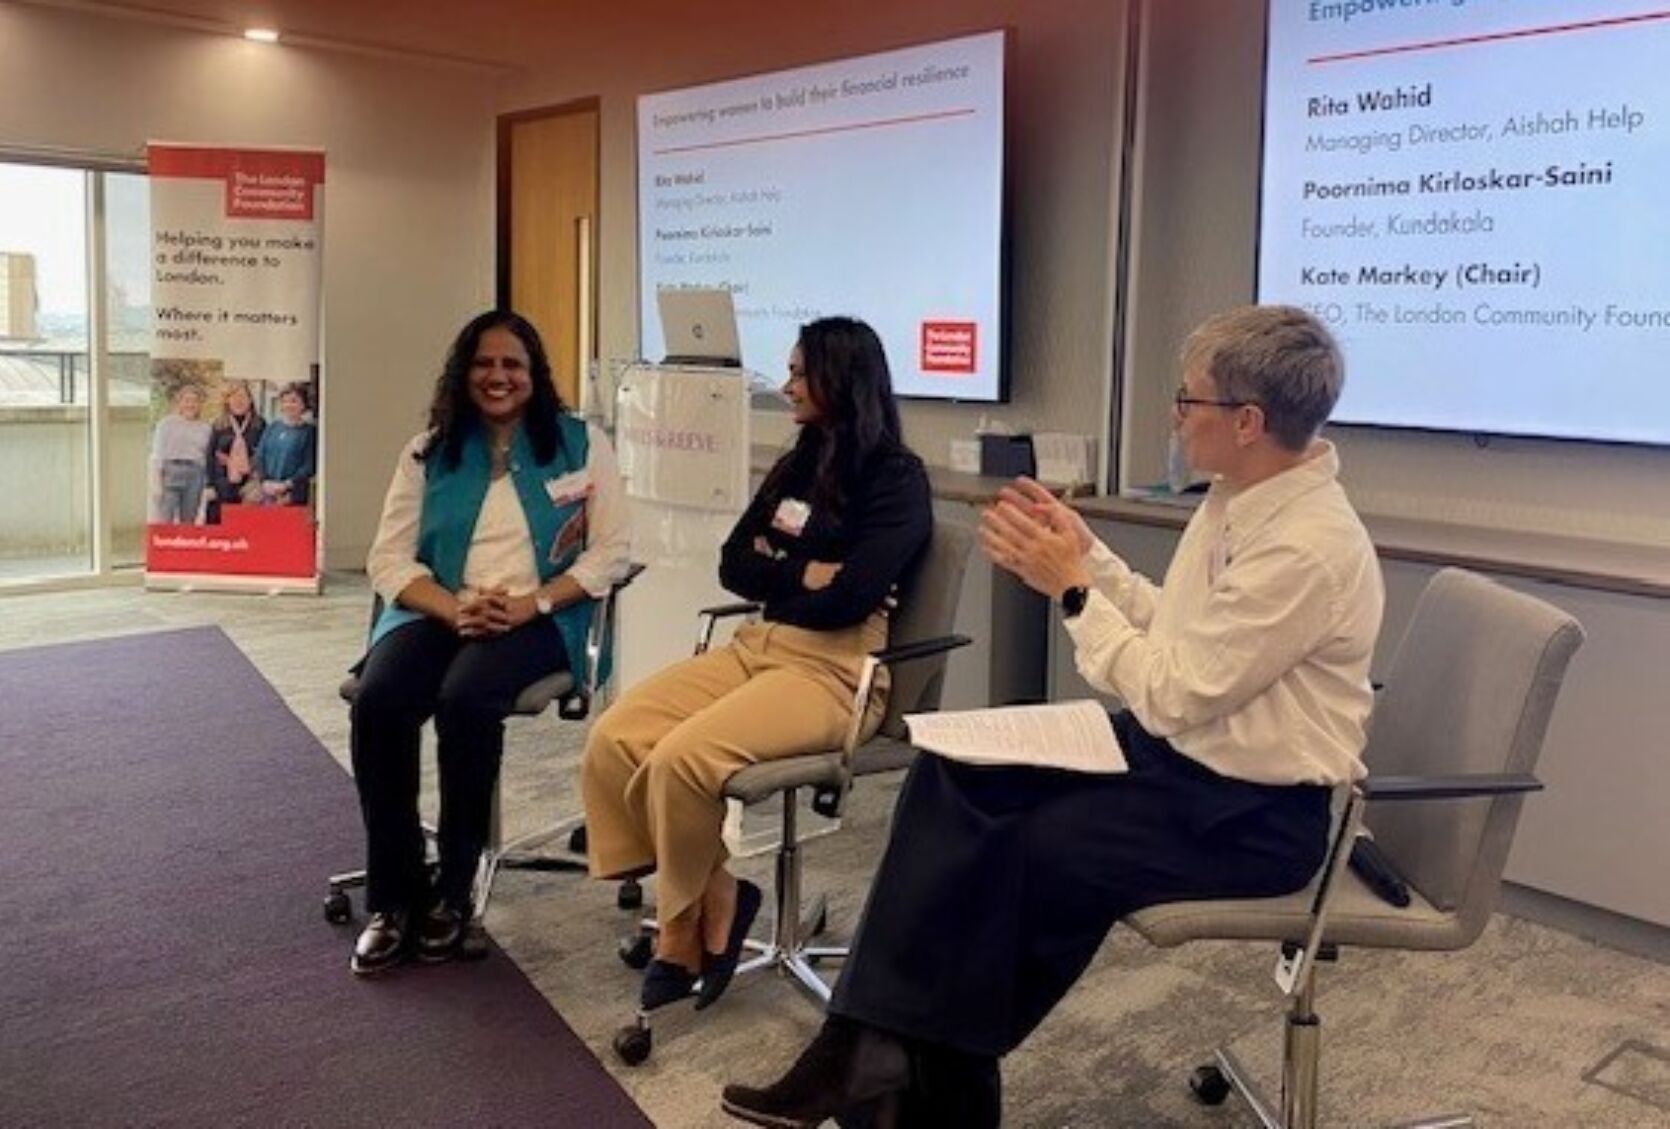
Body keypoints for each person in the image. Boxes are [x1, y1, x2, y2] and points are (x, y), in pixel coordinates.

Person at [721, 305, 1386, 1127]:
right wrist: (1092, 556)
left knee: (1037, 846)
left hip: (1248, 814)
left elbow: (1176, 688)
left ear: (1247, 422)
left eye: (1189, 401)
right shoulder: (1240, 497)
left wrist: (1072, 589)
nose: (1175, 417)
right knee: (954, 769)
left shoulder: (1306, 545)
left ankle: (926, 1081)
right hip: (1184, 758)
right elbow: (1174, 631)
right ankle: (864, 1042)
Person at [582, 315, 932, 1015]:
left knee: (682, 760)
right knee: (615, 738)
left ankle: (680, 931)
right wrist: (807, 573)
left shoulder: (897, 477)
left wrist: (786, 569)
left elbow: (852, 599)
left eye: (800, 372)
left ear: (840, 377)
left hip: (836, 674)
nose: (788, 383)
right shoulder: (798, 459)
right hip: (761, 646)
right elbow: (734, 562)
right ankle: (720, 890)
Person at [349, 310, 630, 976]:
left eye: (513, 365)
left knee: (466, 697)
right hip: (441, 608)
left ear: (535, 376)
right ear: (462, 372)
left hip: (536, 617)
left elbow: (613, 553)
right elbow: (387, 560)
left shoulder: (580, 445)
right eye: (484, 363)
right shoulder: (428, 451)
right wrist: (452, 611)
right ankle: (393, 898)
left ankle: (454, 890)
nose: (498, 376)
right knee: (379, 699)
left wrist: (530, 603)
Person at [149, 384, 211, 524]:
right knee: (165, 519)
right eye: (187, 400)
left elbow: (207, 457)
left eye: (195, 401)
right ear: (180, 402)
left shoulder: (205, 428)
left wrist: (207, 483)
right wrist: (156, 482)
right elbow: (157, 454)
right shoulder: (166, 424)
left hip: (195, 474)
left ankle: (184, 544)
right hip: (170, 472)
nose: (191, 404)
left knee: (188, 521)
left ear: (200, 404)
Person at [206, 380, 265, 523]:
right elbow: (210, 456)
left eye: (243, 396)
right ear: (228, 401)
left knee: (244, 527)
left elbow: (264, 454)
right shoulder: (219, 424)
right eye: (234, 397)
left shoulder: (260, 425)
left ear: (250, 400)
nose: (239, 401)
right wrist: (209, 486)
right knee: (218, 529)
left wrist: (258, 478)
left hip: (249, 487)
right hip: (222, 485)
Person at [253, 382, 317, 506]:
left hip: (292, 493)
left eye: (294, 401)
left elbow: (309, 465)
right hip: (266, 491)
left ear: (303, 404)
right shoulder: (272, 427)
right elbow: (260, 456)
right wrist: (264, 482)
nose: (289, 405)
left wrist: (286, 484)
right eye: (285, 401)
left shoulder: (309, 431)